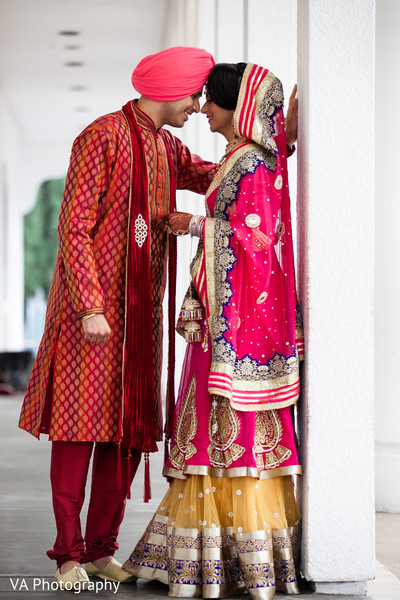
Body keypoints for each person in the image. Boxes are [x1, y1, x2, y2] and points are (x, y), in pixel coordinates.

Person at [18, 46, 218, 591]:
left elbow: (213, 177)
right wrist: (89, 305)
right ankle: (68, 555)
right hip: (94, 316)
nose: (198, 107)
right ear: (170, 88)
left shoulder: (166, 147)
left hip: (140, 321)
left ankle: (103, 548)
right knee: (79, 431)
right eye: (195, 95)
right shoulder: (101, 136)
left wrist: (274, 141)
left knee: (124, 434)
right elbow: (74, 225)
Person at [123, 62, 304, 599]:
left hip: (234, 330)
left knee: (223, 434)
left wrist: (192, 224)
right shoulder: (241, 158)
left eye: (212, 101)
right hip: (220, 321)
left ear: (237, 105)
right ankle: (208, 560)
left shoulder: (250, 161)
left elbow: (257, 239)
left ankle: (225, 564)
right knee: (208, 434)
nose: (202, 109)